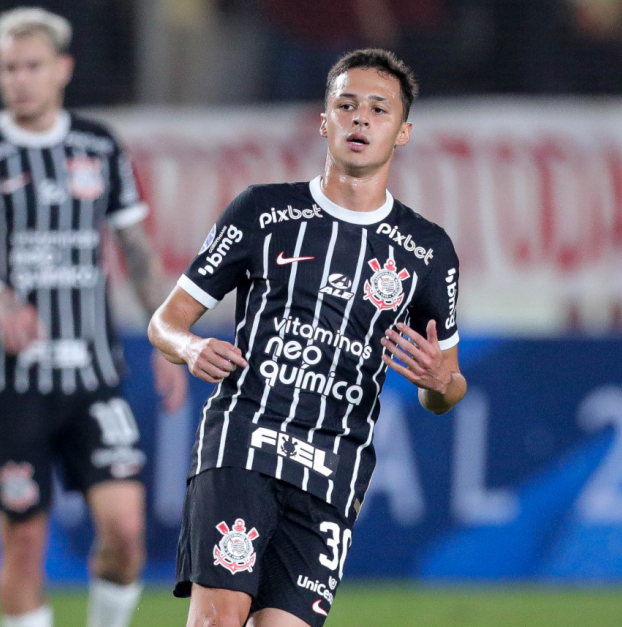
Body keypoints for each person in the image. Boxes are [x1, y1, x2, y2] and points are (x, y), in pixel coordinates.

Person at [149, 49, 467, 627]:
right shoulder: (262, 212)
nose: (361, 119)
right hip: (244, 439)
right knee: (217, 620)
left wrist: (444, 384)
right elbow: (165, 322)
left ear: (403, 131)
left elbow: (444, 386)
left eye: (378, 108)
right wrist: (192, 347)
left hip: (333, 466)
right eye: (346, 105)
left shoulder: (427, 251)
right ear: (325, 121)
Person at [0, 8, 188, 627]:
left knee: (126, 533)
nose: (19, 79)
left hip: (93, 378)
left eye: (32, 67)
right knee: (23, 546)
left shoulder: (99, 146)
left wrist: (169, 337)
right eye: (8, 68)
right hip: (11, 385)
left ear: (62, 70)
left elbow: (137, 252)